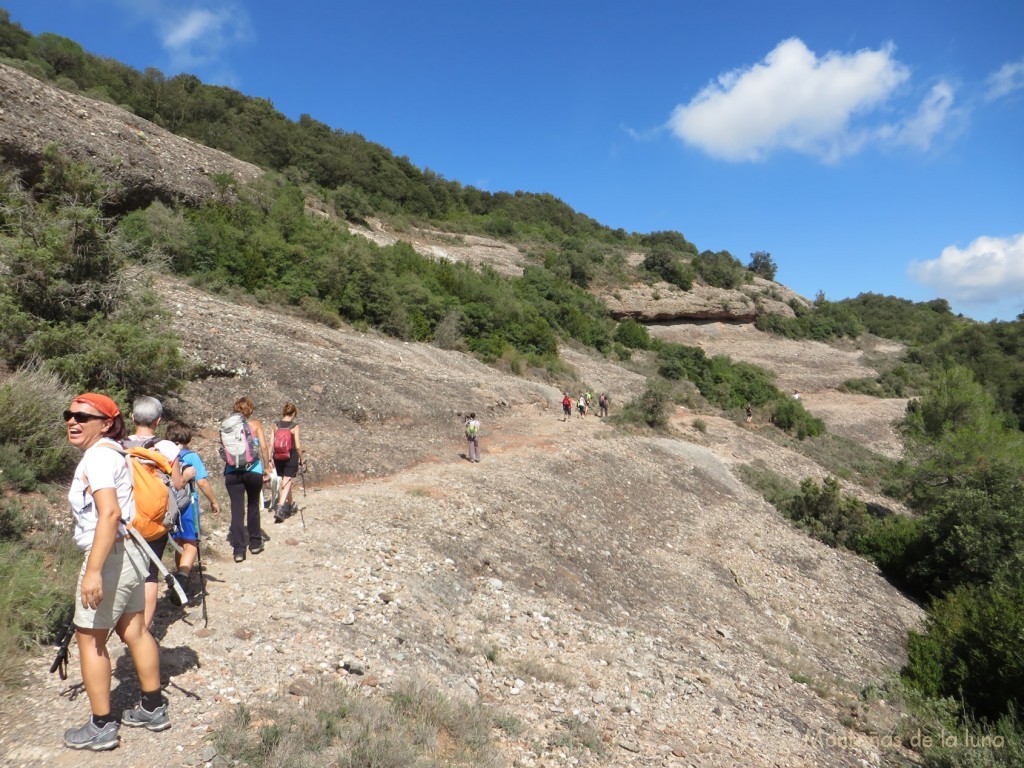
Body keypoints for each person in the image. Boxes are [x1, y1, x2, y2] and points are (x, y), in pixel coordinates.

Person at [62, 393, 169, 751]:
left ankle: (102, 725)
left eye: (83, 417)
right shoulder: (115, 452)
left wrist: (93, 571)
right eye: (70, 415)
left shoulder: (97, 457)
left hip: (108, 556)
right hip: (132, 552)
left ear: (106, 423)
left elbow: (108, 514)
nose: (73, 422)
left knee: (90, 638)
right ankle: (154, 707)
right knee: (135, 630)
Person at [125, 396, 195, 630]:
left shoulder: (119, 445)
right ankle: (144, 629)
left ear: (132, 417)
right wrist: (187, 476)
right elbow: (176, 484)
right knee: (150, 574)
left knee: (126, 570)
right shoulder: (167, 447)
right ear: (158, 420)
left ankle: (123, 622)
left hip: (125, 520)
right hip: (155, 521)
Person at [164, 421, 220, 602]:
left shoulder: (163, 455)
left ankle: (180, 572)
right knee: (191, 542)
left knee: (179, 541)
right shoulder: (191, 456)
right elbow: (202, 482)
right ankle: (182, 576)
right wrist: (213, 501)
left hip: (169, 506)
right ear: (188, 437)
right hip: (188, 505)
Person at [224, 396, 270, 562]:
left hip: (232, 471)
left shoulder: (226, 425)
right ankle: (255, 542)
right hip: (253, 470)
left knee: (237, 509)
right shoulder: (255, 425)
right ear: (250, 410)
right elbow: (264, 447)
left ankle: (238, 550)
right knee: (253, 505)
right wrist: (267, 466)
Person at [271, 402, 304, 522]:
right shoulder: (294, 426)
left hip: (278, 456)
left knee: (286, 480)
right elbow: (298, 446)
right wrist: (301, 458)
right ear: (294, 413)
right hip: (291, 456)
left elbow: (271, 443)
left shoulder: (275, 425)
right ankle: (280, 508)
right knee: (287, 479)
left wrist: (269, 459)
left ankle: (291, 505)